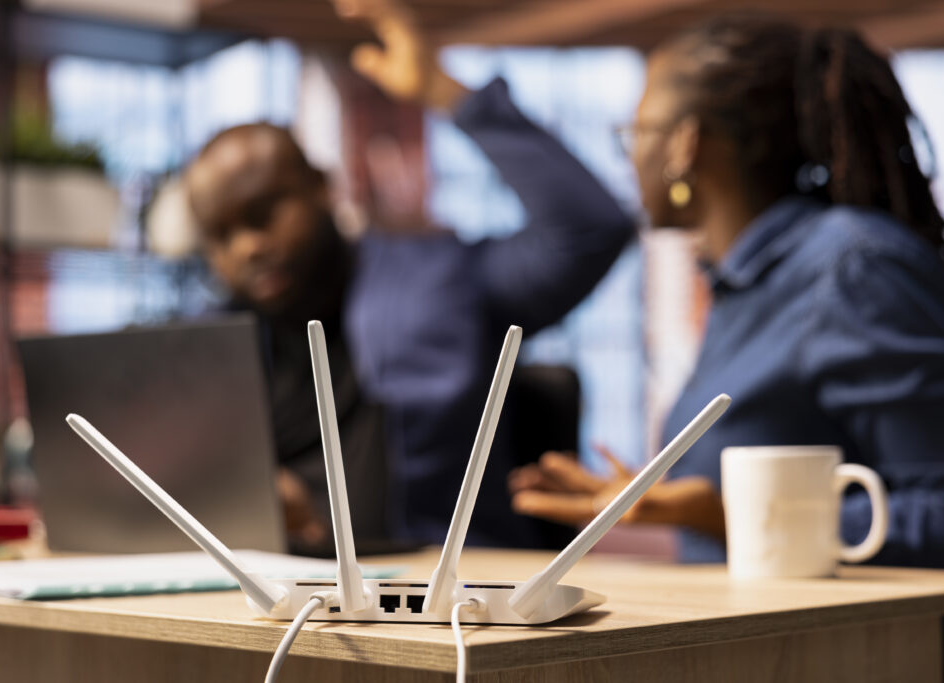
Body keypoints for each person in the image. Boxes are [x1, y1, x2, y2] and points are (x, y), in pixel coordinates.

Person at [184, 3, 634, 549]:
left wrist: (448, 93)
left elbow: (590, 228)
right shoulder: (209, 348)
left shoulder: (440, 279)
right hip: (276, 592)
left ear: (323, 187)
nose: (248, 247)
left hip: (447, 590)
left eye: (263, 214)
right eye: (220, 235)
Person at [508, 16, 944, 567]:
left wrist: (728, 515)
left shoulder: (849, 267)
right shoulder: (746, 282)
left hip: (861, 651)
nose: (631, 159)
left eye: (636, 134)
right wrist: (649, 500)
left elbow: (940, 509)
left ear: (685, 144)